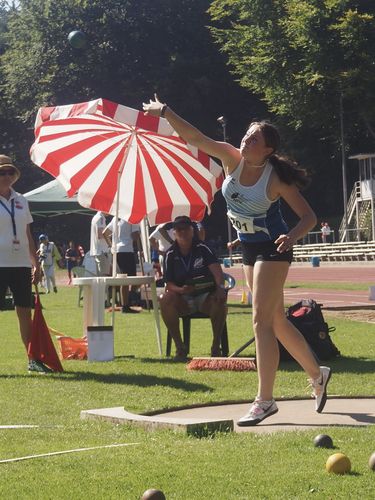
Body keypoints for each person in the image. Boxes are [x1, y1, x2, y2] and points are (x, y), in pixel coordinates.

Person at [143, 96, 331, 424]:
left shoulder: (275, 179)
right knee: (276, 321)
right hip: (248, 249)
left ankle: (265, 399)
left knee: (259, 321)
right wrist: (167, 112)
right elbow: (197, 139)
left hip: (274, 248)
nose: (246, 139)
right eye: (246, 134)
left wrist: (292, 236)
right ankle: (317, 373)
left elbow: (309, 217)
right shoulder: (232, 158)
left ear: (268, 150)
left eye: (254, 138)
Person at [0, 154, 52, 373]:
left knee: (24, 311)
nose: (6, 176)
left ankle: (32, 359)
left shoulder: (21, 199)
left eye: (10, 172)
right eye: (1, 172)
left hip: (20, 262)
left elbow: (28, 233)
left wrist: (35, 263)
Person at [160, 215, 227, 360]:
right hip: (182, 299)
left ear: (192, 230)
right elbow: (169, 284)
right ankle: (180, 347)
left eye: (186, 229)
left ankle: (216, 346)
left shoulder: (203, 248)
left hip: (205, 297)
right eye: (179, 229)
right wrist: (181, 290)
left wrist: (220, 287)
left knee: (220, 299)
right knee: (165, 299)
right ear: (174, 232)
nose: (183, 232)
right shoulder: (170, 254)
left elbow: (217, 271)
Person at [103, 218, 141, 313]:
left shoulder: (116, 217)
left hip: (117, 251)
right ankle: (127, 303)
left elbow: (105, 233)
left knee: (125, 277)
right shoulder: (132, 218)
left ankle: (126, 303)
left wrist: (111, 245)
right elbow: (134, 235)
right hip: (126, 250)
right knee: (130, 279)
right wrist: (138, 233)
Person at [89, 211, 110, 276]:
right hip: (102, 251)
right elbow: (100, 234)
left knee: (100, 276)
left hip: (98, 251)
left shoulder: (96, 217)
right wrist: (112, 234)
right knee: (104, 276)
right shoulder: (101, 218)